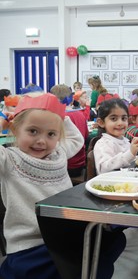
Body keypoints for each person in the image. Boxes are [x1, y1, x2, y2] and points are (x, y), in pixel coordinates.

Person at [0, 93, 85, 278]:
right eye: (33, 131)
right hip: (30, 244)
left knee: (109, 242)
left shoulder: (59, 153)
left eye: (51, 134)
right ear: (15, 130)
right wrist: (2, 123)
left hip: (65, 236)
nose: (41, 140)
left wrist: (62, 117)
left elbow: (77, 140)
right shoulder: (9, 159)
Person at [94, 98, 138, 174]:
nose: (120, 123)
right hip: (112, 183)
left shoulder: (125, 140)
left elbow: (128, 163)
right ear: (101, 122)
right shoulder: (103, 144)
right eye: (113, 119)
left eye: (123, 118)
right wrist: (131, 153)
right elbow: (104, 169)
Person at [50, 84, 89, 179]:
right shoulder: (80, 114)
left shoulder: (57, 117)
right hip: (80, 164)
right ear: (71, 99)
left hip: (65, 166)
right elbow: (86, 135)